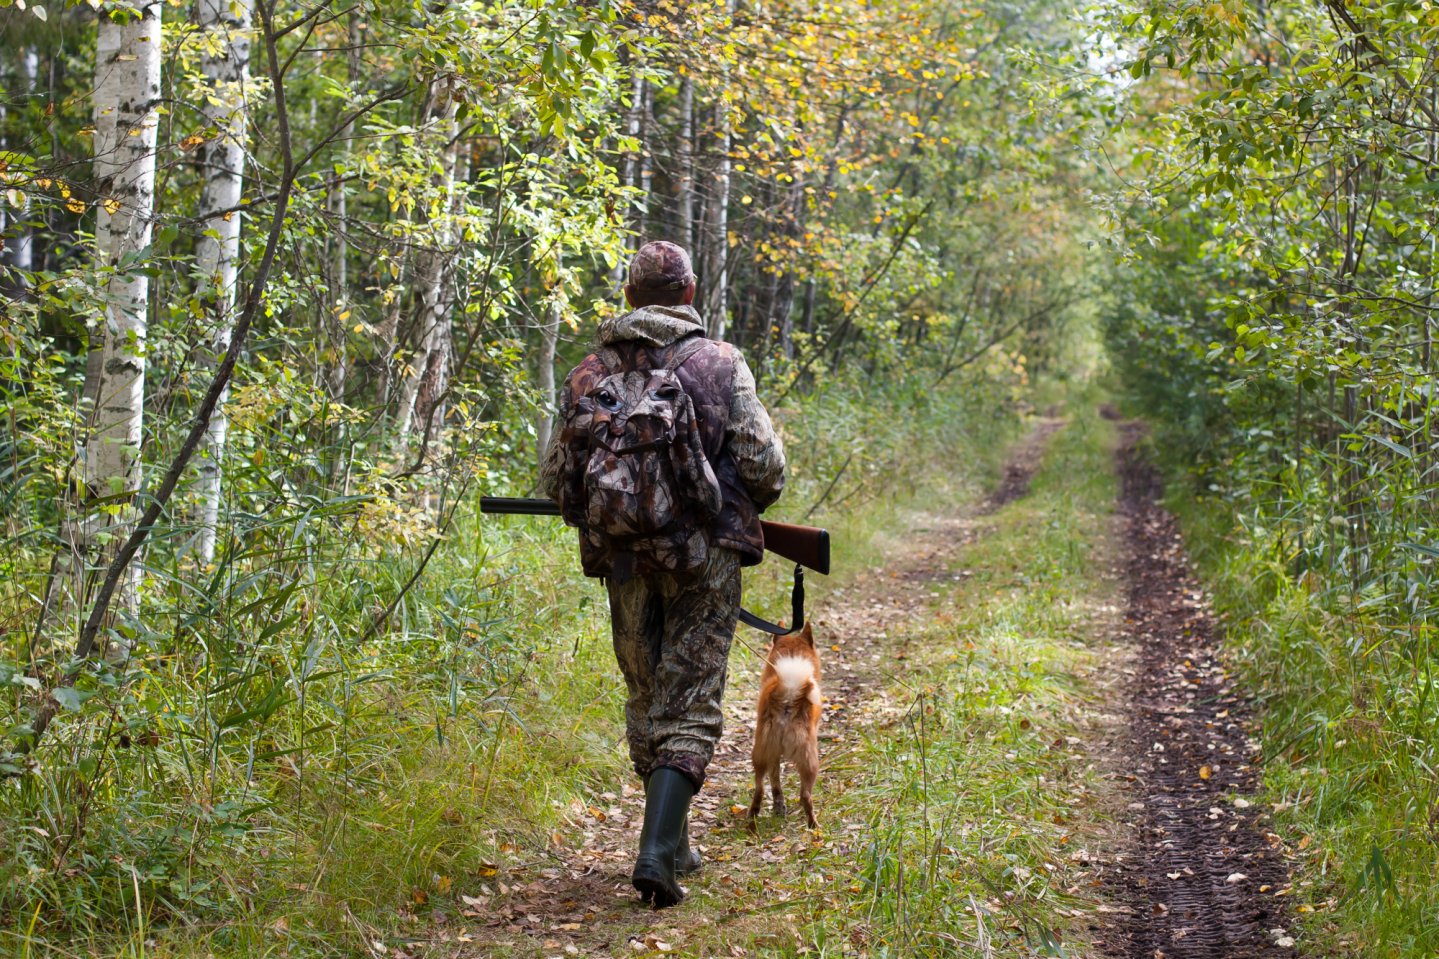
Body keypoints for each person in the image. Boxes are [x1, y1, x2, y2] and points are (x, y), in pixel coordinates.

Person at [539, 240, 786, 908]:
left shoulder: (589, 371)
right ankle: (656, 852)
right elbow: (765, 468)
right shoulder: (719, 362)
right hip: (703, 559)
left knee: (647, 692)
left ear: (628, 297)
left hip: (621, 560)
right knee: (694, 693)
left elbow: (557, 476)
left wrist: (615, 517)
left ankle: (670, 841)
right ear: (689, 291)